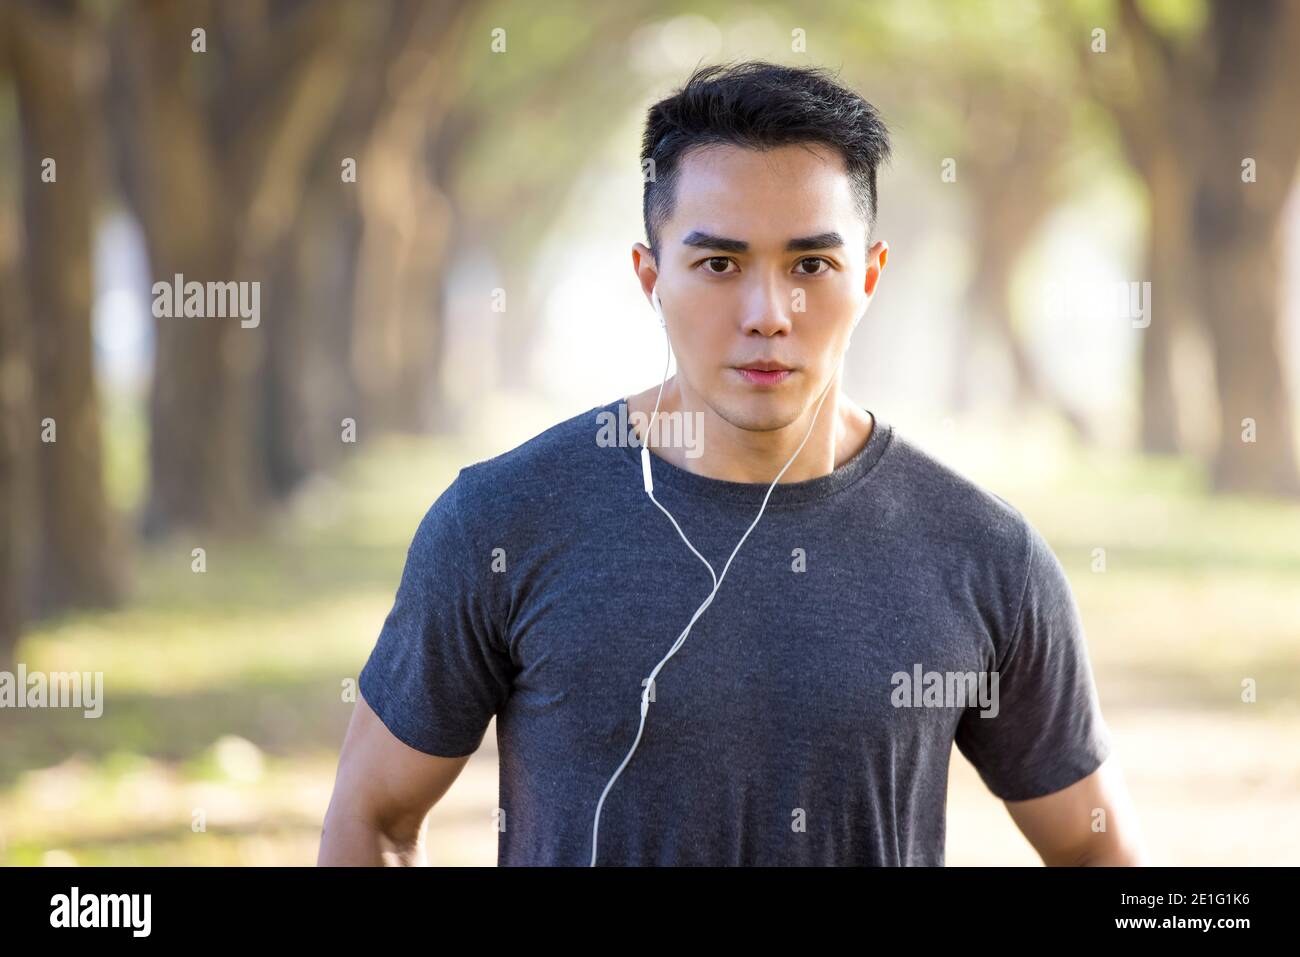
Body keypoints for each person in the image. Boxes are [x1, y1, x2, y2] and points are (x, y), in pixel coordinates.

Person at [318, 60, 1146, 867]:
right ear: (652, 278)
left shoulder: (984, 554)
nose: (767, 314)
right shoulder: (501, 521)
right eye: (719, 264)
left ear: (869, 276)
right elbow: (375, 818)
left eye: (810, 265)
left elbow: (1090, 845)